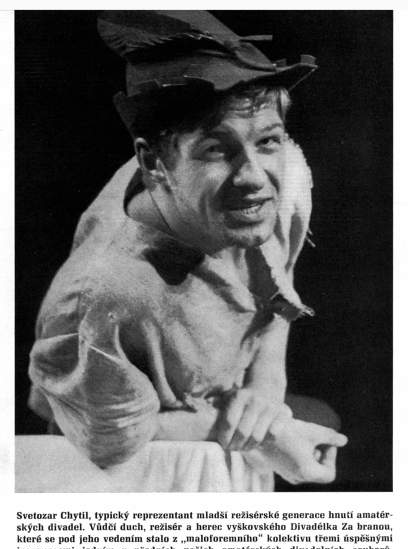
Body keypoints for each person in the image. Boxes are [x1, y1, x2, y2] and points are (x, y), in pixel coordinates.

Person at [28, 10, 347, 487]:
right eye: (216, 150)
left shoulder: (288, 179)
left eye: (267, 141)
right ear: (153, 162)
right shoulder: (104, 295)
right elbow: (111, 437)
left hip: (224, 422)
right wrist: (265, 433)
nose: (254, 177)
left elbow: (277, 278)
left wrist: (266, 384)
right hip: (126, 466)